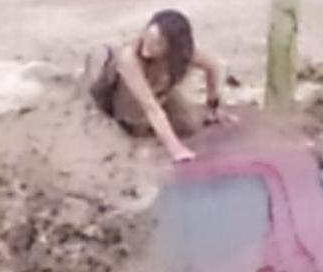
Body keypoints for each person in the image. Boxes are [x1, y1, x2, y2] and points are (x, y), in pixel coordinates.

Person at [85, 9, 225, 162]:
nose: (148, 46)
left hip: (157, 89)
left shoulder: (183, 53)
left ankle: (159, 121)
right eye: (148, 38)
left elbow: (214, 67)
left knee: (189, 125)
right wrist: (176, 149)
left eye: (157, 44)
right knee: (138, 126)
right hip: (123, 88)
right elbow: (150, 107)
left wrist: (213, 107)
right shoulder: (129, 58)